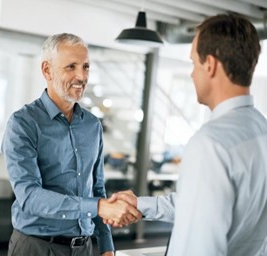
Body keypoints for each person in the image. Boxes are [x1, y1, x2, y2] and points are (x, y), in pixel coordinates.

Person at [106, 13, 267, 256]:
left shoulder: (211, 143)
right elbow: (204, 208)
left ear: (210, 65)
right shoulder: (261, 129)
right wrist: (141, 204)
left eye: (194, 63)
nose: (192, 74)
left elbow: (200, 246)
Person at [1, 33, 141, 256]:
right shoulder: (23, 124)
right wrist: (98, 207)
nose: (81, 76)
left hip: (83, 247)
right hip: (36, 247)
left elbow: (97, 188)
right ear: (47, 70)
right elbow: (29, 196)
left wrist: (106, 244)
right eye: (71, 67)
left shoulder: (93, 126)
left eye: (86, 67)